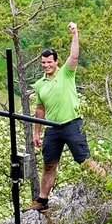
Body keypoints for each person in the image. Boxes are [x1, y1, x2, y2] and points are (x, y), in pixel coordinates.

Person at [30, 22, 102, 211]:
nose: (46, 65)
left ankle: (110, 185)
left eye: (49, 62)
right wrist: (36, 133)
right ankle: (42, 201)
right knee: (49, 165)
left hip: (72, 124)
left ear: (56, 62)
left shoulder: (66, 73)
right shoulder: (40, 84)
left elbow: (74, 55)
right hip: (52, 128)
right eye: (43, 63)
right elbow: (40, 109)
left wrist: (75, 34)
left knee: (84, 161)